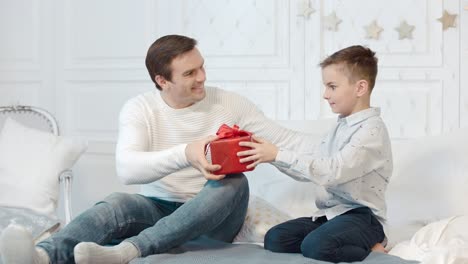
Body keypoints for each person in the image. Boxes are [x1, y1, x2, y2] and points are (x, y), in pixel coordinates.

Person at [0, 35, 315, 264]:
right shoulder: (140, 109)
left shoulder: (229, 102)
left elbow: (287, 141)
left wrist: (339, 149)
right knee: (117, 202)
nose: (202, 77)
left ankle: (128, 251)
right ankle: (42, 257)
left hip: (216, 219)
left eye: (201, 67)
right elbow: (127, 169)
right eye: (190, 73)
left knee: (234, 182)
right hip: (157, 208)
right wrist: (185, 154)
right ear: (162, 81)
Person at [237, 45, 392, 263]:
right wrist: (269, 156)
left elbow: (332, 172)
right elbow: (312, 171)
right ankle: (334, 239)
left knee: (316, 246)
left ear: (360, 88)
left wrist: (278, 154)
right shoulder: (340, 128)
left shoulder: (372, 131)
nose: (325, 94)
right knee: (275, 239)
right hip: (331, 216)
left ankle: (372, 249)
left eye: (332, 86)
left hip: (362, 218)